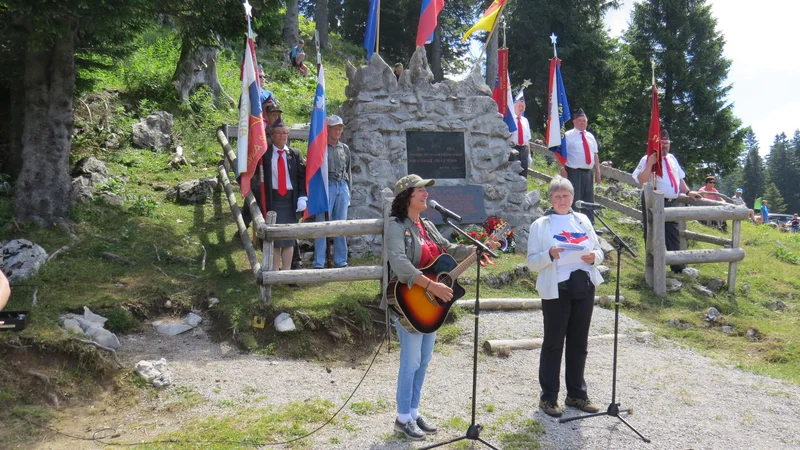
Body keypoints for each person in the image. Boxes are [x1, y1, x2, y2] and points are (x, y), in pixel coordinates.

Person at [383, 174, 499, 440]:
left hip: (431, 304)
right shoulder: (396, 226)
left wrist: (476, 248)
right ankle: (402, 418)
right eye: (420, 190)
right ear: (406, 196)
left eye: (426, 190)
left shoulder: (424, 224)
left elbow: (446, 248)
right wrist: (431, 285)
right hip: (409, 300)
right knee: (410, 361)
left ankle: (413, 412)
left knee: (423, 361)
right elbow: (400, 264)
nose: (426, 194)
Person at [526, 176, 605, 418]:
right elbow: (531, 263)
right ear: (550, 199)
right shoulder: (541, 225)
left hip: (583, 285)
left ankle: (576, 395)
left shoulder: (582, 220)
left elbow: (599, 250)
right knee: (553, 343)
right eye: (557, 196)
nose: (562, 200)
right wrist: (549, 254)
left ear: (572, 198)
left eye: (566, 195)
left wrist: (595, 257)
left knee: (579, 343)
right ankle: (549, 397)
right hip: (556, 288)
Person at [632, 128, 701, 274]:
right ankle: (654, 265)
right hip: (654, 201)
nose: (664, 146)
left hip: (671, 201)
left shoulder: (672, 158)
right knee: (653, 233)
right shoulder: (647, 159)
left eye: (667, 143)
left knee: (672, 234)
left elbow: (679, 179)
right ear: (656, 143)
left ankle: (678, 268)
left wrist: (688, 192)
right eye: (662, 143)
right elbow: (641, 180)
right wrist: (650, 163)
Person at [260, 125, 307, 270]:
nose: (282, 136)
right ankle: (274, 272)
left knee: (288, 238)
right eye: (279, 133)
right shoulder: (265, 154)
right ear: (272, 135)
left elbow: (301, 177)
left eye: (285, 133)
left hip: (290, 199)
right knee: (274, 237)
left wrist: (302, 197)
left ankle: (286, 271)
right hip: (273, 199)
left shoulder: (295, 154)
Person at [313, 115, 352, 269]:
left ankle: (341, 260)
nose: (338, 131)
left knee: (341, 224)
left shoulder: (345, 148)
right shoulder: (320, 148)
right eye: (334, 128)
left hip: (342, 185)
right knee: (321, 224)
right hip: (326, 186)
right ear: (327, 129)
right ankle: (319, 261)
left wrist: (349, 190)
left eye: (340, 128)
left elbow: (348, 170)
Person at [560, 109, 601, 225]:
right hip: (574, 171)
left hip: (588, 172)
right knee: (574, 198)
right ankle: (571, 223)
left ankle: (589, 225)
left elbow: (595, 155)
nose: (582, 123)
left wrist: (598, 172)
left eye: (584, 121)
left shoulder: (590, 136)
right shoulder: (568, 136)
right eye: (580, 121)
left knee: (588, 200)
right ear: (574, 122)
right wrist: (562, 169)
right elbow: (561, 154)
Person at [509, 96, 531, 178]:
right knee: (514, 173)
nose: (521, 108)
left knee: (523, 173)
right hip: (514, 148)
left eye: (523, 106)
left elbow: (527, 139)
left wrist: (529, 154)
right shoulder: (511, 120)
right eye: (519, 106)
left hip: (524, 149)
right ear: (514, 106)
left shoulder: (525, 121)